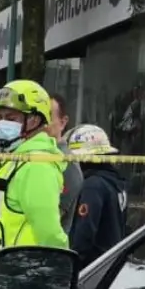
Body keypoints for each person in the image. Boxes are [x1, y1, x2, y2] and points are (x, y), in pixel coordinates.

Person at [0, 80, 69, 289]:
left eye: (11, 118)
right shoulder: (12, 162)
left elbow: (49, 232)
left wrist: (61, 274)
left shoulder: (37, 165)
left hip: (18, 286)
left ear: (35, 120)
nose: (2, 124)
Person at [66, 124, 128, 265]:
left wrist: (71, 264)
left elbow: (84, 232)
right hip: (108, 263)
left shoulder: (93, 185)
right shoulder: (116, 181)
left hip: (90, 268)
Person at [48, 93, 84, 231]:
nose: (42, 124)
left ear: (63, 122)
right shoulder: (36, 155)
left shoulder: (67, 163)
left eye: (48, 117)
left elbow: (52, 217)